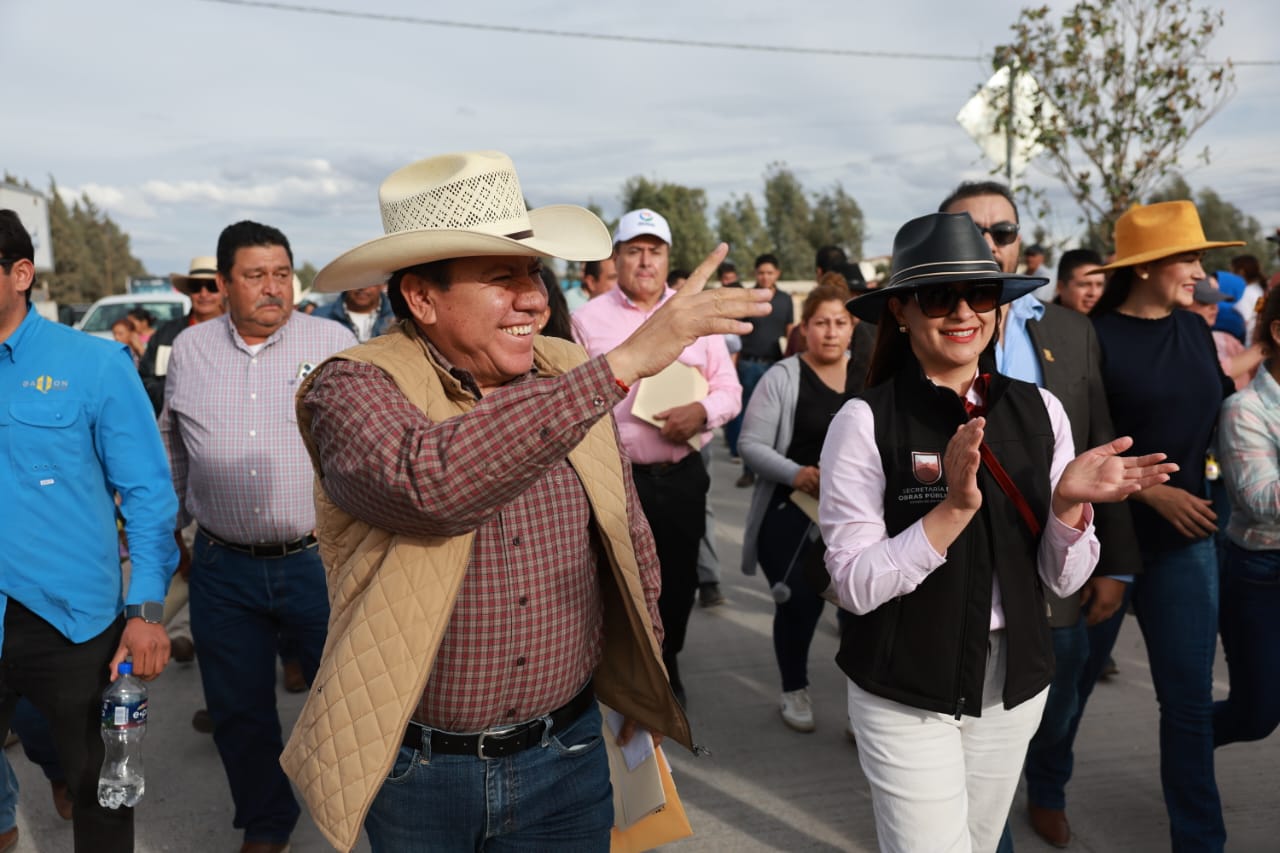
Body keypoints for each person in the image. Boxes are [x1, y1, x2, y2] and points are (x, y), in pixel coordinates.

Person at [274, 151, 770, 852]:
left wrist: (645, 676)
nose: (534, 298)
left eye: (533, 272)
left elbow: (627, 532)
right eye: (502, 277)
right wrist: (623, 363)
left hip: (567, 755)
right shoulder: (352, 385)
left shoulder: (568, 368)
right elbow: (428, 485)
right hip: (420, 772)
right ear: (421, 298)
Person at [819, 210, 1172, 852]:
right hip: (904, 687)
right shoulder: (864, 420)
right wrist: (951, 510)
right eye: (938, 296)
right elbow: (853, 586)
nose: (963, 312)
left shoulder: (1041, 410)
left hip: (1013, 684)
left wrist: (1068, 508)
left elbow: (1061, 580)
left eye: (980, 294)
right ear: (900, 311)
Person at [941, 181, 1140, 851]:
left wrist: (1115, 564)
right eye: (971, 231)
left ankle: (1048, 789)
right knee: (972, 741)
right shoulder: (913, 334)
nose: (989, 244)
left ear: (1020, 241)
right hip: (955, 573)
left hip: (1057, 564)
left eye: (1002, 231)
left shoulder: (1070, 329)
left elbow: (1101, 440)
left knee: (1060, 703)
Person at [159, 220, 357, 853]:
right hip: (223, 567)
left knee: (348, 700)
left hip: (318, 562)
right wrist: (168, 533)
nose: (273, 287)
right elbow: (174, 445)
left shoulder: (332, 342)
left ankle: (366, 811)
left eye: (282, 274)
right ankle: (267, 823)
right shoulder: (190, 350)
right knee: (238, 710)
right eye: (255, 275)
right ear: (223, 283)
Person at [0, 208, 179, 853]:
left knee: (101, 791)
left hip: (73, 623)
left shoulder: (95, 364)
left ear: (21, 274)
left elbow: (148, 495)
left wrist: (147, 610)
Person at [1089, 199, 1242, 852]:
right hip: (1104, 545)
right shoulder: (1093, 338)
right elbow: (1079, 443)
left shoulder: (1195, 331)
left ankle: (1200, 841)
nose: (1201, 272)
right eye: (1189, 258)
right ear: (1146, 266)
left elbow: (1220, 410)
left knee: (1187, 704)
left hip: (1188, 543)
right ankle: (1046, 782)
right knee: (1065, 695)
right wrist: (1154, 494)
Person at [573, 207, 744, 708]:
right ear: (617, 258)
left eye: (655, 251)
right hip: (615, 478)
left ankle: (667, 665)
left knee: (679, 579)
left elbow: (729, 389)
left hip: (682, 473)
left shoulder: (697, 315)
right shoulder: (588, 320)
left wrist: (702, 411)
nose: (645, 261)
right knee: (612, 579)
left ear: (668, 258)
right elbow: (572, 397)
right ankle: (622, 670)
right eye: (634, 251)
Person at [739, 282, 853, 732]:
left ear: (853, 327)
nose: (831, 332)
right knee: (800, 603)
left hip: (854, 517)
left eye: (840, 322)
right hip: (792, 511)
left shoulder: (868, 374)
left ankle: (862, 703)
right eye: (821, 322)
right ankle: (794, 688)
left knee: (862, 609)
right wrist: (797, 474)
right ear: (804, 328)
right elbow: (750, 445)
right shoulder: (782, 377)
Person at [1215, 290, 1280, 750]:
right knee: (1257, 713)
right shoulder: (1245, 409)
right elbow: (1262, 499)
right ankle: (1187, 742)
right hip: (1264, 573)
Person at [727, 253, 794, 488]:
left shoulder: (785, 300)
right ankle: (748, 471)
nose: (765, 277)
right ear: (755, 274)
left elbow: (790, 332)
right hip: (749, 365)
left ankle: (772, 469)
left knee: (776, 418)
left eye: (770, 273)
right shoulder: (747, 298)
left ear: (777, 274)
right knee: (747, 417)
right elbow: (736, 333)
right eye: (761, 273)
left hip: (776, 365)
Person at [1184, 278, 1263, 390]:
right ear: (1182, 303)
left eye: (1216, 301)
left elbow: (1254, 371)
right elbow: (1215, 376)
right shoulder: (1178, 346)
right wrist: (1263, 347)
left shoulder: (1226, 339)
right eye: (1205, 302)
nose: (1214, 308)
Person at [314, 282, 395, 343]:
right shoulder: (320, 317)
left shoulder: (398, 317)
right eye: (356, 281)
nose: (363, 287)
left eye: (370, 281)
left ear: (382, 284)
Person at [1054, 248, 1106, 315]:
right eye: (1084, 285)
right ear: (1060, 287)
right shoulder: (1044, 319)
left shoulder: (1110, 320)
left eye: (1099, 285)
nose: (1093, 293)